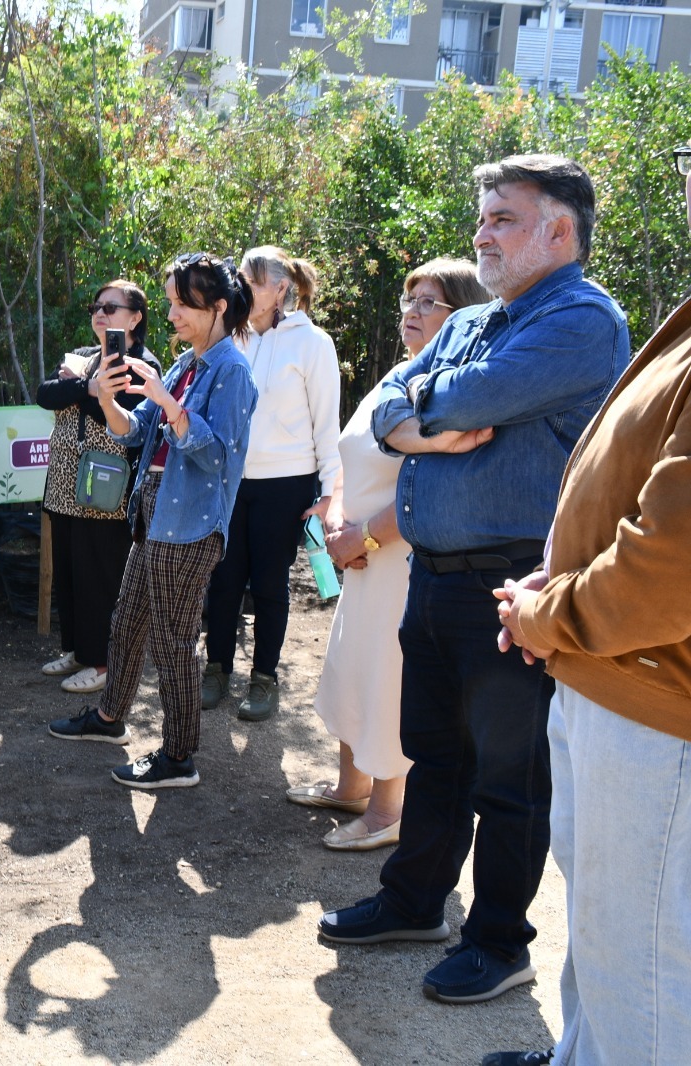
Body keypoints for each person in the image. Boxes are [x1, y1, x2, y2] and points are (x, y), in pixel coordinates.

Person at [318, 154, 631, 1007]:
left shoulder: (581, 319)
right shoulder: (471, 320)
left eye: (503, 218)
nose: (482, 234)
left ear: (558, 231)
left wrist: (424, 411)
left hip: (512, 585)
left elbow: (461, 399)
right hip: (435, 580)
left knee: (509, 780)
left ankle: (498, 943)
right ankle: (414, 903)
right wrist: (418, 424)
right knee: (435, 755)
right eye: (482, 217)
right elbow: (388, 405)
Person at [485, 144, 691, 1066]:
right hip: (614, 679)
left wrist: (547, 614)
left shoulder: (582, 314)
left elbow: (668, 571)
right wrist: (558, 586)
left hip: (653, 703)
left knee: (645, 965)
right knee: (609, 938)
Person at [290, 259, 489, 851]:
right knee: (351, 671)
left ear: (465, 316)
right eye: (410, 299)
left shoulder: (454, 390)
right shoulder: (400, 375)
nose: (412, 312)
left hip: (401, 562)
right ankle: (351, 788)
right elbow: (351, 456)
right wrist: (335, 518)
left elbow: (431, 488)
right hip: (360, 558)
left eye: (430, 303)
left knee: (387, 682)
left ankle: (387, 811)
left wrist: (364, 537)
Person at [48, 253, 258, 790]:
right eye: (170, 303)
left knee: (173, 642)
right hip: (154, 513)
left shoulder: (231, 371)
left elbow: (218, 456)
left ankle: (179, 755)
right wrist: (106, 398)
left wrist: (168, 403)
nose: (172, 315)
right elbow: (134, 431)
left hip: (189, 523)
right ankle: (109, 718)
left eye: (182, 304)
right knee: (126, 622)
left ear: (217, 307)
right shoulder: (188, 362)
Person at [201, 246, 341, 721]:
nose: (242, 288)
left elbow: (327, 426)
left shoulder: (313, 343)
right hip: (231, 482)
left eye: (253, 281)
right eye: (240, 278)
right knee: (222, 580)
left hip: (286, 485)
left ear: (282, 288)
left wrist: (330, 495)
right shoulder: (230, 339)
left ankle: (264, 679)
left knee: (268, 585)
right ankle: (216, 670)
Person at [35, 280, 150, 695]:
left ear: (135, 318)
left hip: (107, 489)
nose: (100, 313)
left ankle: (103, 663)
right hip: (65, 483)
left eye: (111, 307)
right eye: (96, 307)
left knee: (100, 578)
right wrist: (88, 387)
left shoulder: (141, 365)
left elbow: (126, 420)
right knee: (69, 576)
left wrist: (82, 392)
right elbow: (45, 394)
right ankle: (77, 651)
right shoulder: (82, 358)